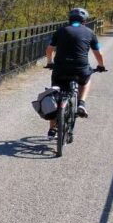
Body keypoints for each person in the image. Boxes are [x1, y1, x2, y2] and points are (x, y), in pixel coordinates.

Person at [44, 7, 106, 138]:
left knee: (56, 93)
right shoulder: (90, 32)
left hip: (60, 68)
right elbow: (98, 53)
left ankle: (52, 129)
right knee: (86, 80)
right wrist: (101, 65)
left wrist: (49, 62)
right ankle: (82, 103)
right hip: (80, 68)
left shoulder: (60, 31)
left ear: (70, 19)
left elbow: (49, 49)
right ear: (84, 20)